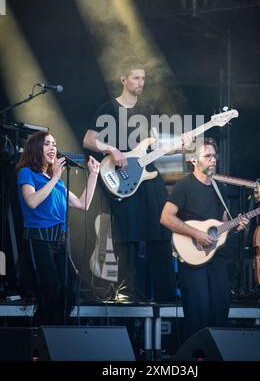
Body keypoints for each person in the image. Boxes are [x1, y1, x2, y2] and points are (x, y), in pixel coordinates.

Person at [83, 64, 177, 302]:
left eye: (143, 78)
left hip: (148, 176)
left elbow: (153, 145)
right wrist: (112, 149)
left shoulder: (146, 111)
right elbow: (89, 140)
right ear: (123, 79)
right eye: (136, 78)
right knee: (129, 238)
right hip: (123, 180)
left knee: (161, 232)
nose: (141, 82)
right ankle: (130, 296)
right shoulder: (108, 109)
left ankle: (165, 298)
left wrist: (176, 145)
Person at [160, 137, 248, 338]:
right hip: (192, 261)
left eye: (214, 156)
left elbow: (224, 222)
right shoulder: (185, 185)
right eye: (207, 156)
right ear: (193, 160)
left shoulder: (219, 188)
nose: (213, 160)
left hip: (216, 259)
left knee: (220, 312)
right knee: (197, 318)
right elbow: (165, 217)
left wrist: (237, 225)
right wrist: (196, 233)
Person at [16, 130, 100, 325]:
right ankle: (41, 338)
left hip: (60, 239)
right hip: (38, 239)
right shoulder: (27, 173)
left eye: (54, 144)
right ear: (36, 148)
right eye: (47, 143)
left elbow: (83, 204)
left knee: (69, 289)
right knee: (50, 290)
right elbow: (31, 201)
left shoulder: (57, 181)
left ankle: (54, 335)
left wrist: (93, 176)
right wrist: (54, 178)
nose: (53, 147)